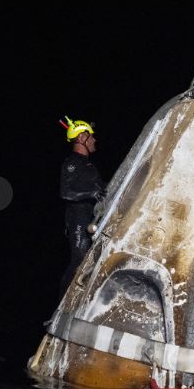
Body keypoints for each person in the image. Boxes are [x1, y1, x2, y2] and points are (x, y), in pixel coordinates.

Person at [59, 116, 106, 291]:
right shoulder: (73, 162)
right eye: (91, 136)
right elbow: (66, 192)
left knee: (95, 260)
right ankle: (61, 305)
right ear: (81, 138)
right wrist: (92, 193)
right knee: (79, 260)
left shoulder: (89, 166)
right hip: (78, 218)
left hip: (93, 218)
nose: (94, 139)